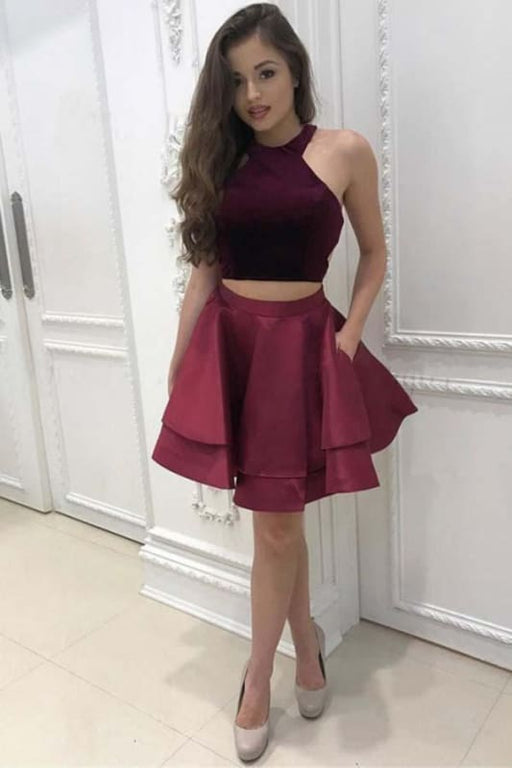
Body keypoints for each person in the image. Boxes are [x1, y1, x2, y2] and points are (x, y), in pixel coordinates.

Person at [151, 2, 418, 761]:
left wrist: (350, 332)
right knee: (279, 522)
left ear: (295, 69)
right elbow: (205, 270)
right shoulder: (224, 159)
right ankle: (302, 646)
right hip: (233, 344)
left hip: (302, 349)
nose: (253, 95)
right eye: (237, 81)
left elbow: (374, 252)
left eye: (265, 73)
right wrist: (180, 358)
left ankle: (258, 676)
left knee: (277, 522)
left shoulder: (343, 151)